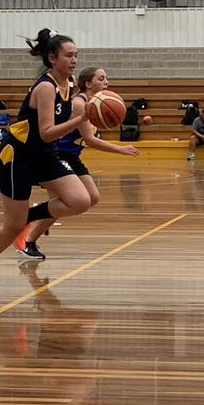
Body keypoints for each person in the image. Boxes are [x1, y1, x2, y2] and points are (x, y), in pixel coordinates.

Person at [0, 29, 93, 292]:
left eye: (76, 55)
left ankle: (29, 218)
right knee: (11, 225)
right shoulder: (46, 87)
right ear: (52, 58)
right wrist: (80, 121)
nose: (74, 60)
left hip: (44, 154)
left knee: (81, 200)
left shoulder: (67, 85)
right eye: (68, 55)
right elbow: (46, 132)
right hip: (18, 156)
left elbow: (47, 138)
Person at [17, 67, 140, 261]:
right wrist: (120, 149)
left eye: (107, 78)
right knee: (69, 202)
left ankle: (29, 223)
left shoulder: (94, 104)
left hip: (72, 156)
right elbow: (90, 140)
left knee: (90, 198)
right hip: (58, 154)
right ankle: (28, 234)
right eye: (101, 78)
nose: (106, 82)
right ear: (88, 83)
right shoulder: (79, 104)